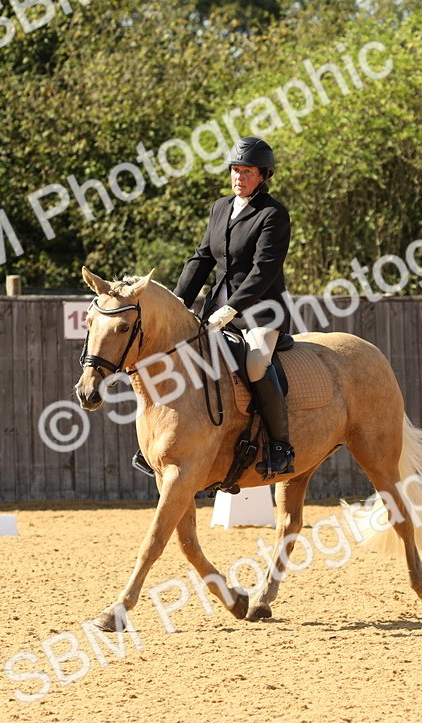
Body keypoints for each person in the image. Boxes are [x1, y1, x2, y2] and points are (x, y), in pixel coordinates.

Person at [158, 136, 295, 477]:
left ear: (263, 175)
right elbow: (202, 257)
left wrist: (232, 308)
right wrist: (179, 301)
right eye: (235, 170)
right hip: (215, 310)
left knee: (256, 365)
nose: (239, 177)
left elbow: (264, 270)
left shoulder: (273, 214)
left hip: (261, 312)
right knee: (182, 356)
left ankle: (281, 445)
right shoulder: (221, 207)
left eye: (247, 171)